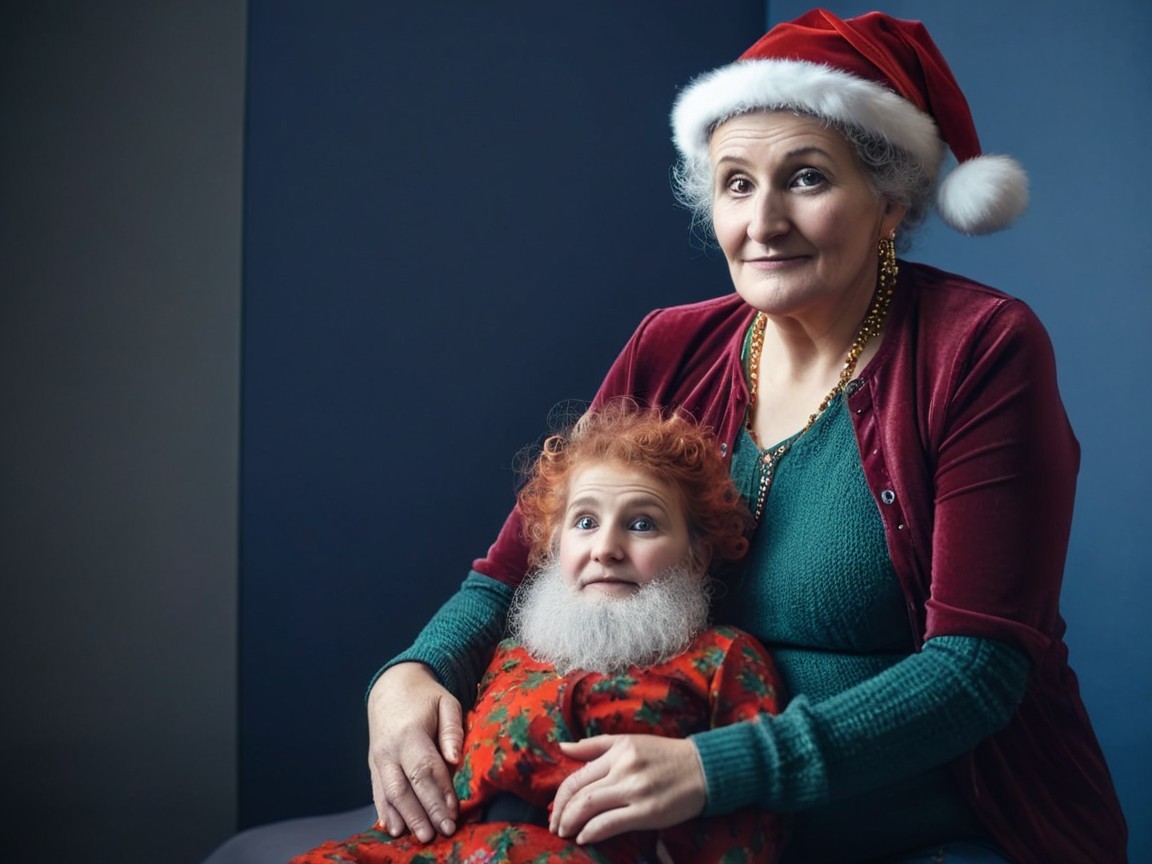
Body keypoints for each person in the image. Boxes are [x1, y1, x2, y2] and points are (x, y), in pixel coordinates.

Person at [366, 9, 1128, 864]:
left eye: (804, 179)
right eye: (735, 183)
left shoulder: (980, 347)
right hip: (682, 835)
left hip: (934, 826)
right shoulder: (670, 345)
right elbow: (515, 570)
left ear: (891, 202)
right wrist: (410, 672)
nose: (761, 223)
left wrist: (717, 769)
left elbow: (978, 668)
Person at [291, 403, 785, 863]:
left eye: (641, 524)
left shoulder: (724, 660)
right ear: (554, 545)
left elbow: (751, 824)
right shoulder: (508, 656)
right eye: (586, 521)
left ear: (697, 554)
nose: (606, 547)